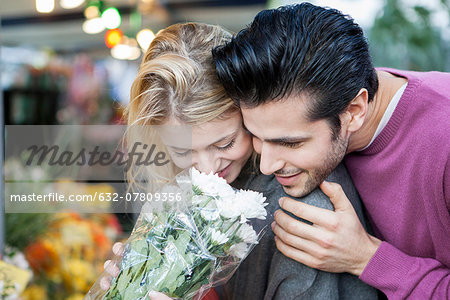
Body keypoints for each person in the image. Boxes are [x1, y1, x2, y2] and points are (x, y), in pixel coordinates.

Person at [100, 22, 377, 299]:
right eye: (183, 151)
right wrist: (146, 280)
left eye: (224, 143)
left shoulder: (304, 206)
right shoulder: (189, 194)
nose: (207, 169)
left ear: (249, 112)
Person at [212, 3, 450, 299]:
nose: (266, 165)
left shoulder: (443, 141)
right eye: (256, 136)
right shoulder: (328, 96)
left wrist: (366, 258)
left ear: (354, 111)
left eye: (290, 143)